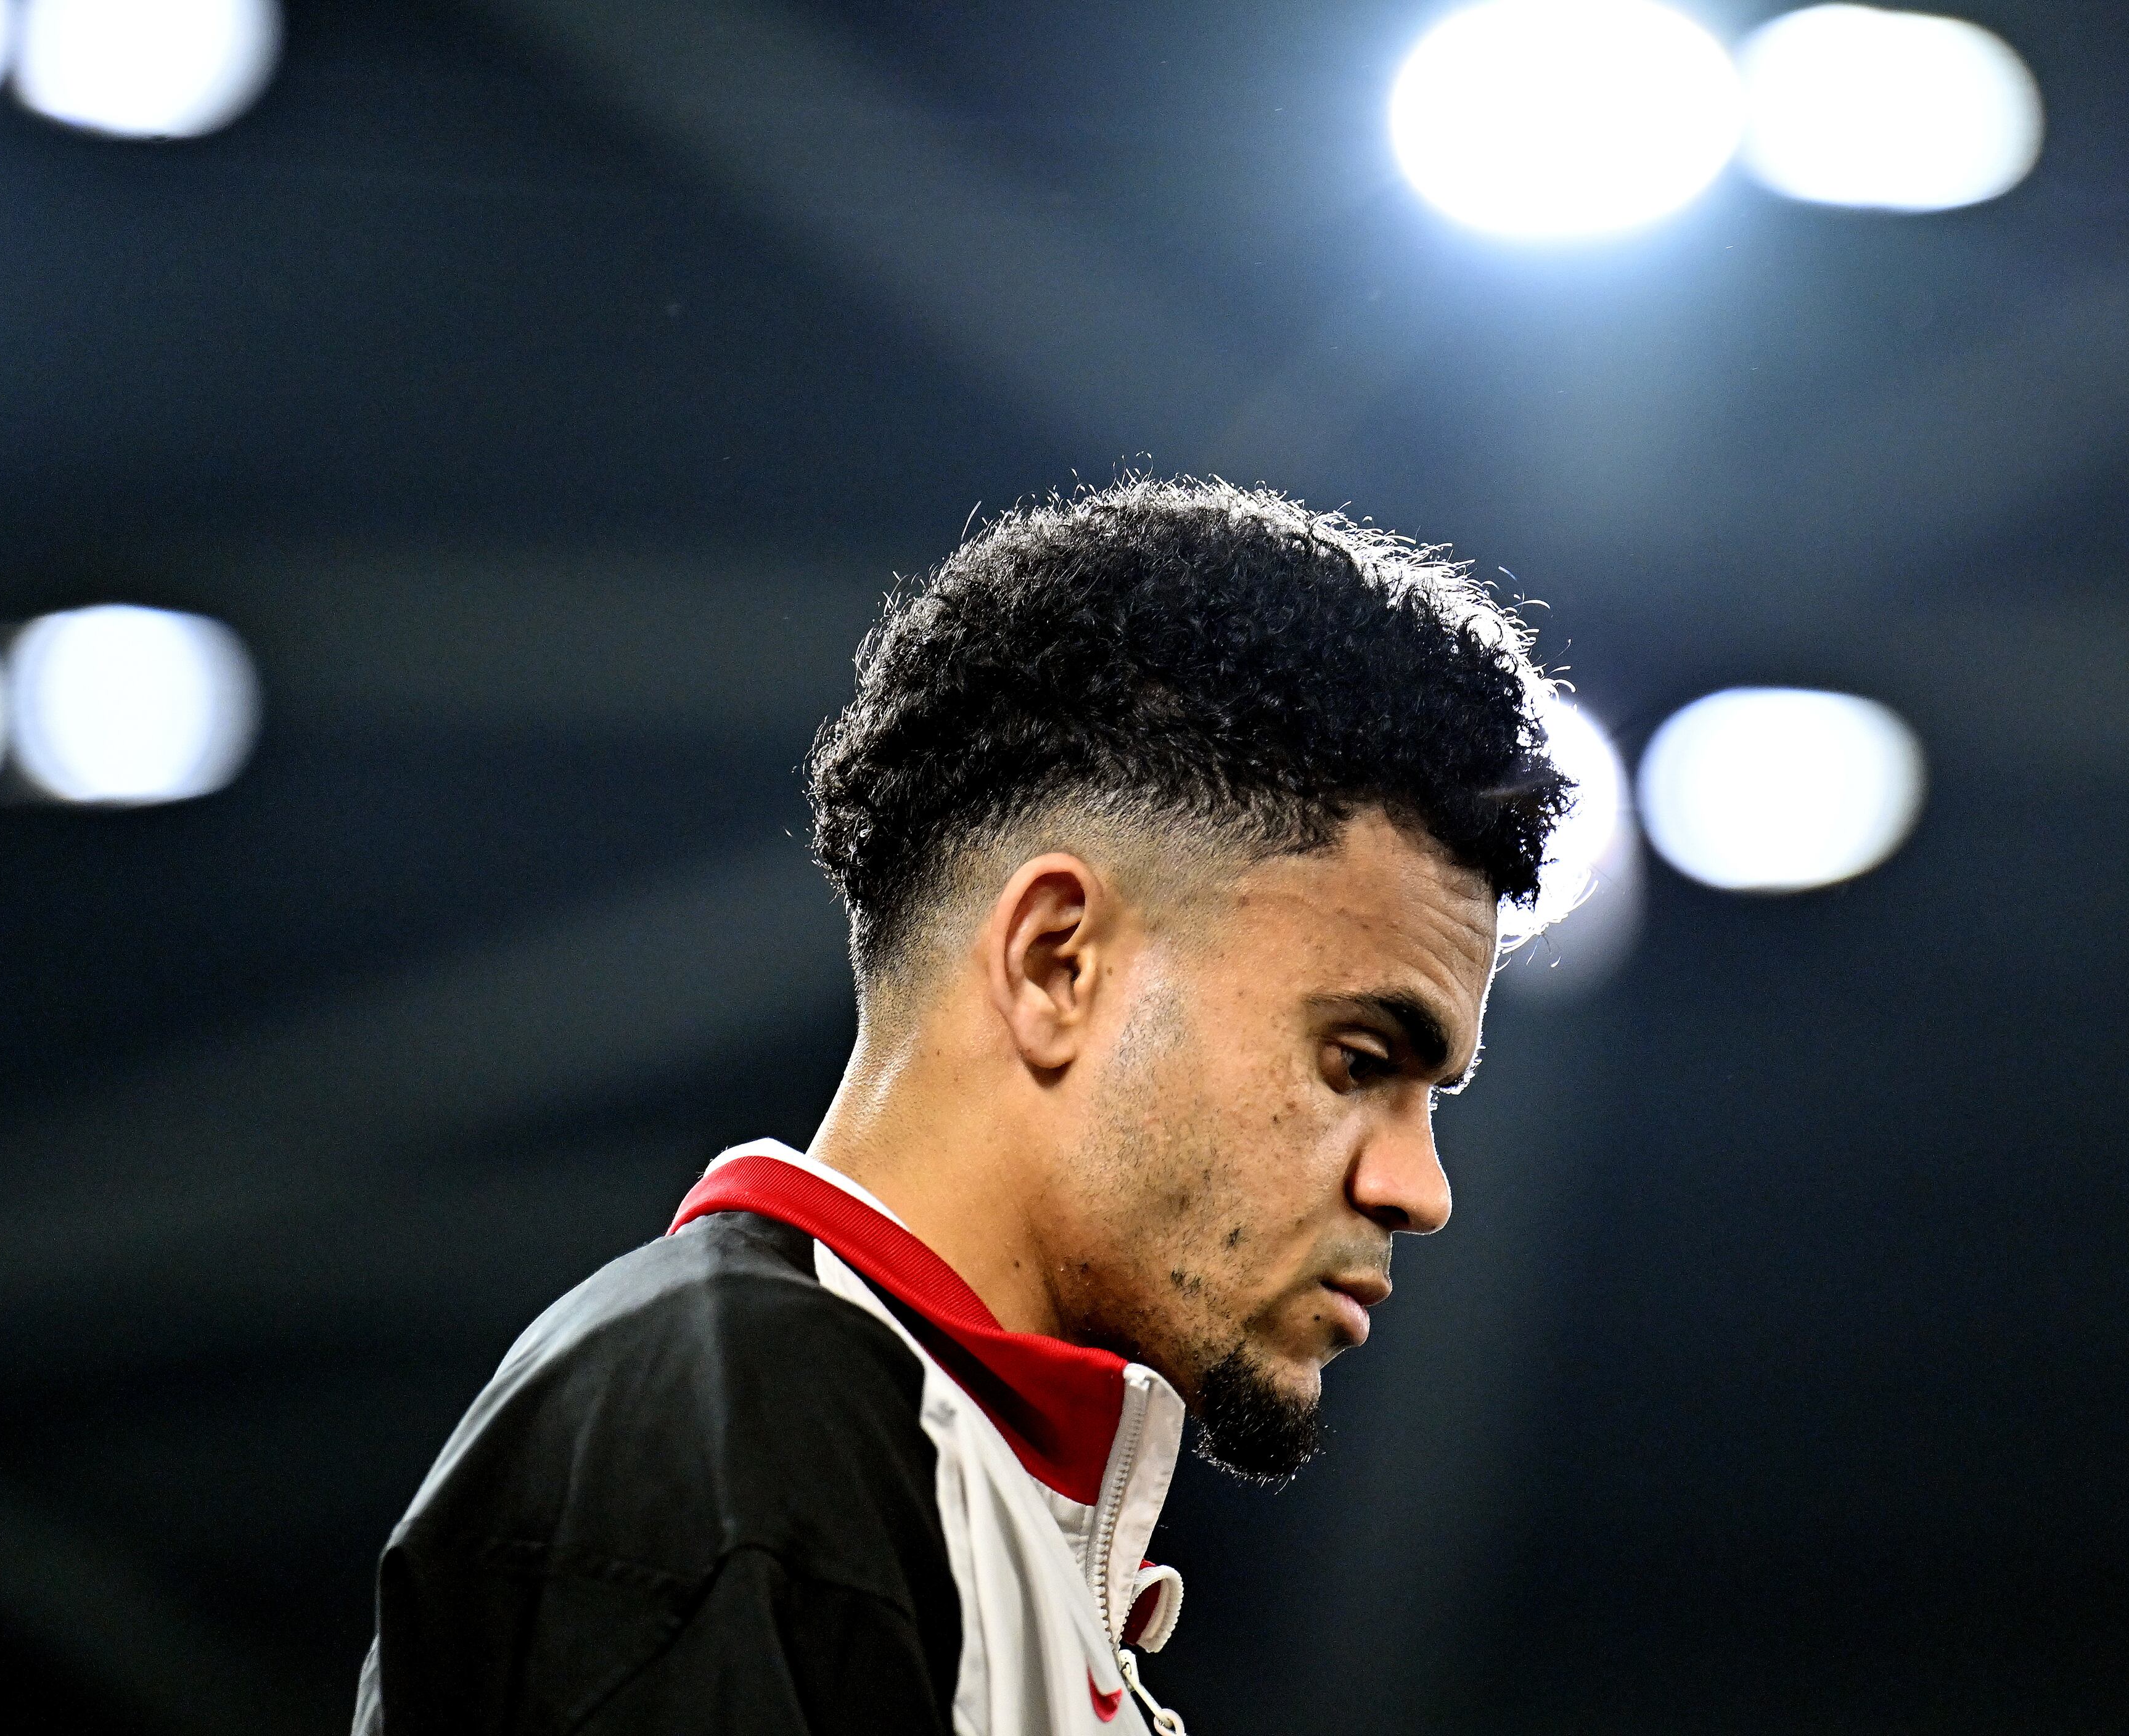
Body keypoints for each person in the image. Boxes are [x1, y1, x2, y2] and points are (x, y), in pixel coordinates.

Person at [354, 477, 1573, 1734]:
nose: (1419, 1191)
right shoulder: (726, 1440)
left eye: (1433, 1097)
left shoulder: (913, 1493)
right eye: (1358, 1060)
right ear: (1057, 966)